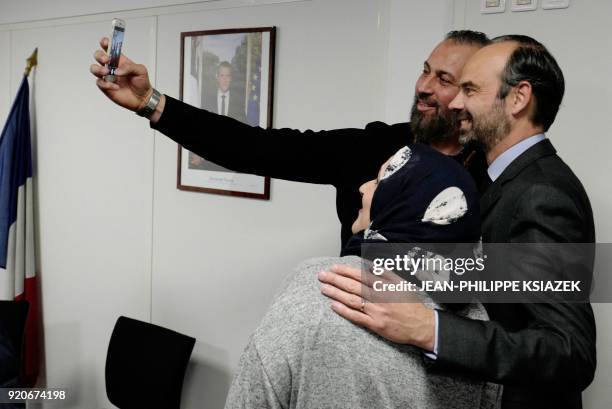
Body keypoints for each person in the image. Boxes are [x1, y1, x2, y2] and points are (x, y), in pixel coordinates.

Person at [319, 35, 596, 409]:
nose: (457, 103)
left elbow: (569, 351)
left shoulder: (541, 194)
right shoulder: (496, 177)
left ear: (518, 98)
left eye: (469, 89)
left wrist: (427, 328)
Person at [90, 30, 490, 248]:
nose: (422, 86)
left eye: (443, 79)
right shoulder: (374, 146)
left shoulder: (498, 173)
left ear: (474, 90)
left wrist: (424, 320)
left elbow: (515, 282)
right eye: (425, 70)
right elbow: (255, 148)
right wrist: (150, 102)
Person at [225, 143, 501, 409]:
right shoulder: (475, 324)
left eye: (380, 182)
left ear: (403, 202)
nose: (363, 187)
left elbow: (253, 394)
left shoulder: (321, 283)